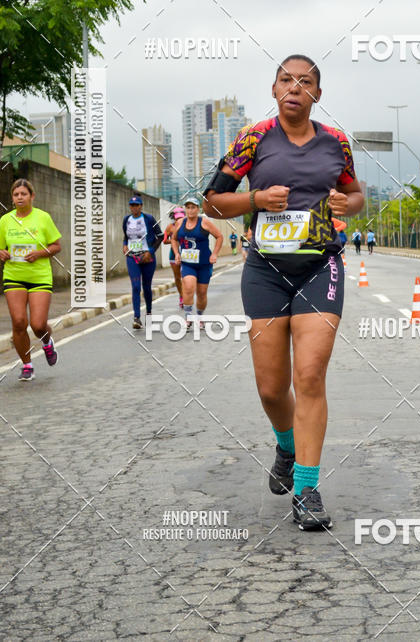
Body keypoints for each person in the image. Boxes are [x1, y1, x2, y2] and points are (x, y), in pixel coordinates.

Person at [204, 54, 364, 530]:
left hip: (320, 265)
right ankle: (287, 446)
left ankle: (307, 489)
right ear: (274, 89)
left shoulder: (336, 143)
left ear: (317, 93)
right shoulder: (253, 139)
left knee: (309, 375)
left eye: (305, 81)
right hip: (265, 271)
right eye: (286, 80)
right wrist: (255, 199)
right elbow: (213, 201)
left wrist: (347, 203)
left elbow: (356, 194)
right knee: (272, 387)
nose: (295, 87)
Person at [0, 178, 61, 381]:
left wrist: (38, 253)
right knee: (18, 322)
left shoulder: (43, 218)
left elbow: (56, 246)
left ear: (32, 196)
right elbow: (0, 248)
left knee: (38, 325)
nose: (19, 197)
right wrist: (2, 253)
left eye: (23, 194)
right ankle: (27, 365)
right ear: (12, 198)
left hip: (39, 277)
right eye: (16, 194)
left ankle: (47, 342)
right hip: (14, 276)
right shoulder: (5, 221)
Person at [171, 198, 223, 329]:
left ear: (198, 209)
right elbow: (174, 239)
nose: (190, 210)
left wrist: (214, 254)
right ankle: (188, 317)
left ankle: (200, 317)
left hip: (204, 264)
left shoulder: (204, 222)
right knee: (189, 287)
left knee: (201, 293)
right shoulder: (180, 223)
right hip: (187, 263)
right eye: (188, 207)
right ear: (185, 209)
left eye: (193, 207)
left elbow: (219, 236)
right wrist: (176, 253)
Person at [122, 196, 162, 329]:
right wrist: (124, 245)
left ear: (141, 206)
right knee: (135, 287)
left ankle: (149, 312)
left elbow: (160, 236)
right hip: (132, 257)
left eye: (136, 205)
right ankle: (136, 317)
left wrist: (150, 251)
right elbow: (126, 236)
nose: (134, 207)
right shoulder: (126, 220)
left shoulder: (149, 219)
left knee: (146, 287)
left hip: (147, 257)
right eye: (132, 205)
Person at [163, 206, 186, 307]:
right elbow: (164, 241)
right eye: (177, 218)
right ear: (174, 217)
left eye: (181, 218)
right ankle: (181, 296)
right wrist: (173, 240)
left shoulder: (188, 225)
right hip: (173, 254)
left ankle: (187, 295)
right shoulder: (170, 227)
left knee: (187, 276)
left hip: (186, 254)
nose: (179, 220)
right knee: (177, 277)